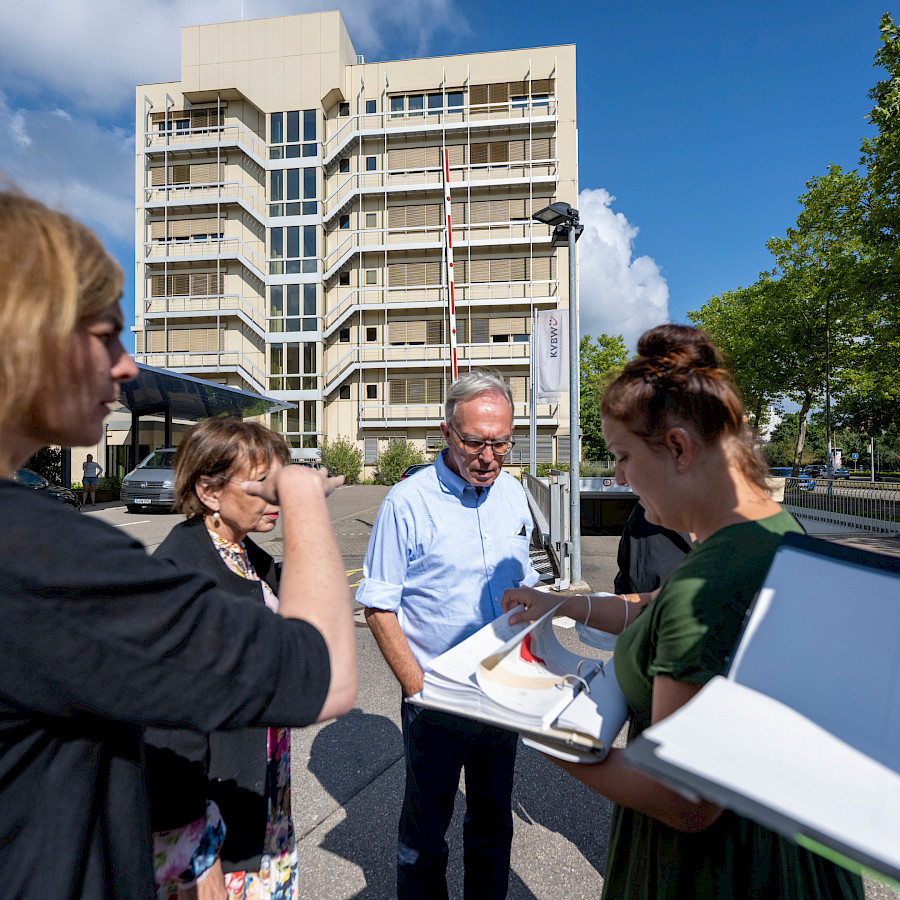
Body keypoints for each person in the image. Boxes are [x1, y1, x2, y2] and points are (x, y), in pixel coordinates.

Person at [0, 189, 357, 900]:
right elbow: (324, 675)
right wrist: (305, 497)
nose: (127, 366)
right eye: (106, 334)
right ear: (28, 335)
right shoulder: (41, 557)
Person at [502, 325, 863, 899]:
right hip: (794, 853)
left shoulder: (709, 582)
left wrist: (538, 727)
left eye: (621, 456)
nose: (617, 477)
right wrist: (561, 603)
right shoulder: (771, 530)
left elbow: (683, 799)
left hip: (709, 873)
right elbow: (657, 607)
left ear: (677, 447)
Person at [357, 370, 539, 899]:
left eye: (501, 442)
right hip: (436, 696)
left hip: (501, 691)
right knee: (425, 834)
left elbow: (522, 580)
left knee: (492, 822)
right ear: (445, 432)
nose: (489, 456)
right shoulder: (406, 502)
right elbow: (378, 606)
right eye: (475, 442)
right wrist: (418, 689)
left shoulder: (513, 494)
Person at [146, 417, 303, 900]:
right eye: (263, 485)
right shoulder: (182, 573)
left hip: (263, 791)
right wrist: (196, 856)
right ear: (210, 493)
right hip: (213, 823)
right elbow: (163, 731)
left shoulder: (244, 553)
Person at [575, 500, 692, 651]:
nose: (620, 480)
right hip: (649, 648)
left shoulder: (726, 532)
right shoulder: (645, 513)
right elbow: (633, 587)